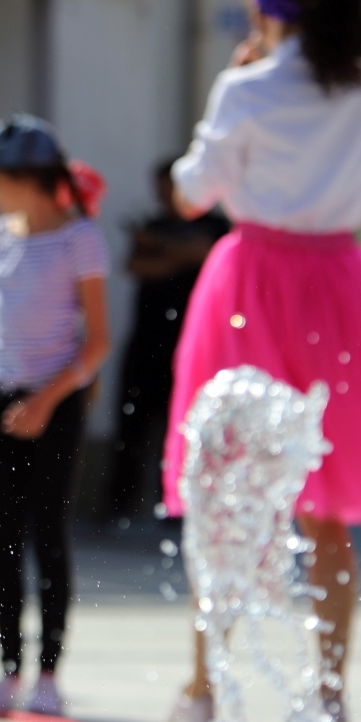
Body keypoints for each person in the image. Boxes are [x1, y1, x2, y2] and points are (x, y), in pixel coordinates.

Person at [162, 0, 361, 722]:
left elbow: (191, 193)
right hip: (341, 287)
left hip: (252, 282)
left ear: (263, 5)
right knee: (329, 512)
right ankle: (328, 697)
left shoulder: (246, 89)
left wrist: (231, 82)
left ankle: (203, 688)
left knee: (224, 494)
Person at [0, 115, 111, 717]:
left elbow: (97, 341)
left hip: (56, 400)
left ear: (25, 178)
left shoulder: (80, 239)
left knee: (48, 531)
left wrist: (45, 400)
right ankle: (8, 668)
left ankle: (48, 673)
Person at [106, 159, 228, 524]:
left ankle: (183, 507)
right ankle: (120, 506)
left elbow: (204, 253)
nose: (164, 196)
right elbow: (138, 266)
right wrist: (172, 252)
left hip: (195, 345)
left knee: (189, 426)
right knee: (132, 426)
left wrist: (162, 249)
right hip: (147, 341)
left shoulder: (214, 224)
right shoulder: (155, 225)